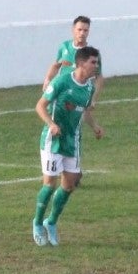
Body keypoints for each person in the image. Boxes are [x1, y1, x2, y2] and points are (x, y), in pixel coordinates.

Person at [32, 46, 103, 246]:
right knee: (49, 184)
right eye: (93, 62)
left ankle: (51, 222)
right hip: (53, 141)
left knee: (70, 184)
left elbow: (85, 111)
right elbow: (40, 105)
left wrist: (95, 126)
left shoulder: (89, 87)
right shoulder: (62, 81)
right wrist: (52, 124)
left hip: (72, 140)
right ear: (81, 63)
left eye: (96, 63)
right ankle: (37, 222)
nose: (96, 66)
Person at [44, 15, 104, 98]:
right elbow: (56, 65)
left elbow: (99, 77)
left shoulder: (92, 54)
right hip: (62, 90)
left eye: (85, 30)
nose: (82, 33)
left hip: (80, 93)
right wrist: (47, 80)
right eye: (79, 30)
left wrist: (93, 99)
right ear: (73, 29)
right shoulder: (64, 46)